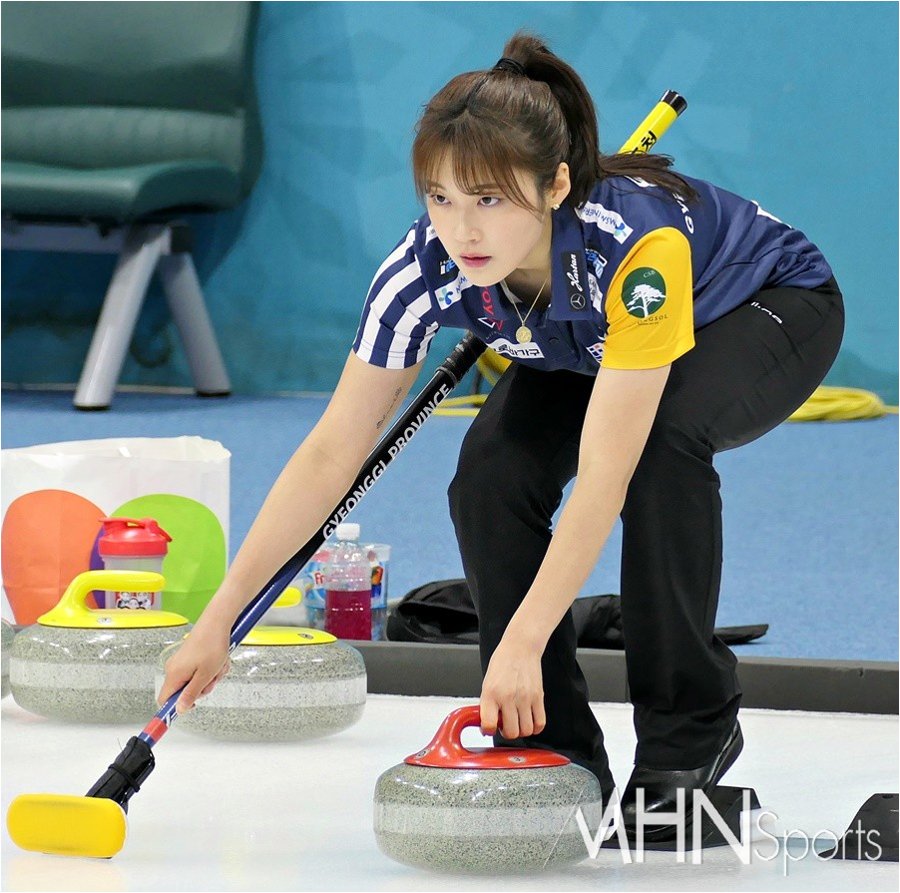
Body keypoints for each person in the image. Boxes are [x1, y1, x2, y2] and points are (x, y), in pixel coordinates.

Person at [158, 31, 844, 839]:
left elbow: (604, 478)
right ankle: (553, 739)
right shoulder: (422, 269)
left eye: (488, 199)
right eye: (440, 198)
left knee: (660, 450)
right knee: (489, 473)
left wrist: (520, 636)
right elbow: (330, 451)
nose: (463, 230)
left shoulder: (637, 252)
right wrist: (219, 617)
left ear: (556, 185)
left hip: (759, 304)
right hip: (586, 339)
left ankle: (688, 731)